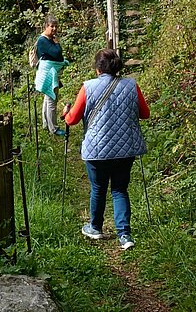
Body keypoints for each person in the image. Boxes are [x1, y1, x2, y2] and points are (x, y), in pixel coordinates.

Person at [63, 49, 150, 250]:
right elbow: (145, 113)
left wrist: (65, 114)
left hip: (97, 150)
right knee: (120, 190)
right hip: (125, 149)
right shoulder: (131, 85)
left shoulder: (88, 87)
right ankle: (125, 235)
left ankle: (95, 227)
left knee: (98, 188)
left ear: (98, 69)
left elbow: (72, 119)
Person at [35, 15, 69, 136]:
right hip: (48, 74)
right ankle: (53, 128)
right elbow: (57, 53)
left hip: (49, 73)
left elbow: (57, 56)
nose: (54, 29)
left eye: (56, 26)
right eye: (52, 26)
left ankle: (46, 124)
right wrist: (57, 43)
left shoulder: (48, 39)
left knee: (47, 99)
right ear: (46, 26)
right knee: (52, 100)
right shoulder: (43, 40)